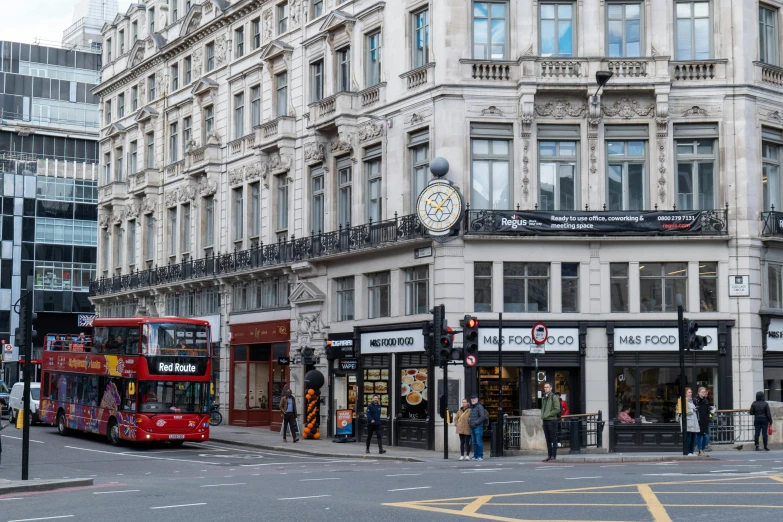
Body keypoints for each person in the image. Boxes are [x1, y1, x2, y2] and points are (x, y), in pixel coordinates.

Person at [541, 382, 561, 462]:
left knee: (553, 438)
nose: (546, 388)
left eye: (547, 387)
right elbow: (543, 408)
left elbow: (557, 409)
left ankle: (553, 455)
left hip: (552, 420)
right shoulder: (544, 397)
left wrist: (548, 414)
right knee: (548, 439)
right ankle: (549, 455)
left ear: (551, 388)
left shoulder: (554, 397)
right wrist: (543, 416)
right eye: (545, 387)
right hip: (545, 420)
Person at [468, 394, 488, 461]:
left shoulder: (479, 406)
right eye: (472, 399)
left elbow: (482, 417)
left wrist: (476, 423)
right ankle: (475, 456)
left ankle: (480, 456)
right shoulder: (472, 407)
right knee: (474, 442)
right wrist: (470, 422)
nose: (473, 400)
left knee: (478, 442)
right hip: (473, 427)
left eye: (474, 398)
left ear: (477, 399)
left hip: (478, 427)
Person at [694, 387, 712, 456]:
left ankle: (703, 449)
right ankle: (700, 450)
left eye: (704, 392)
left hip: (705, 420)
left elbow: (708, 412)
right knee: (699, 435)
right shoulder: (695, 400)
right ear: (698, 393)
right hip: (698, 420)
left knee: (706, 436)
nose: (703, 393)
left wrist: (709, 416)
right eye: (702, 392)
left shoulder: (706, 401)